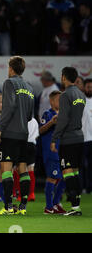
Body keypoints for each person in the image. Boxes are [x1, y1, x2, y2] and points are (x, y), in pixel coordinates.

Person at [0, 56, 34, 215]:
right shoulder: (29, 87)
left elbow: (8, 108)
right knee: (23, 167)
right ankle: (23, 207)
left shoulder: (9, 83)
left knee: (6, 168)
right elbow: (30, 114)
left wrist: (0, 128)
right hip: (24, 133)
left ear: (11, 68)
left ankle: (9, 207)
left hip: (10, 132)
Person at [51, 67, 86, 216]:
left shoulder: (65, 95)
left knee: (67, 172)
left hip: (68, 139)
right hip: (79, 137)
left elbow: (64, 119)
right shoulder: (81, 94)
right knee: (76, 172)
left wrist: (54, 138)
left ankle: (74, 208)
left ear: (64, 77)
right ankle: (77, 205)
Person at [39, 90, 67, 214]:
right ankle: (48, 207)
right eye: (58, 100)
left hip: (63, 150)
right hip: (51, 151)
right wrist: (52, 122)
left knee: (65, 176)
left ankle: (56, 203)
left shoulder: (64, 114)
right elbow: (40, 131)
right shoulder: (47, 114)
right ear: (51, 101)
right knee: (52, 177)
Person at [82, 79, 92, 194]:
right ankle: (83, 186)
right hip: (83, 138)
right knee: (82, 166)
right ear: (84, 88)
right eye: (88, 87)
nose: (90, 89)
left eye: (91, 87)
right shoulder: (81, 101)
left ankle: (90, 187)